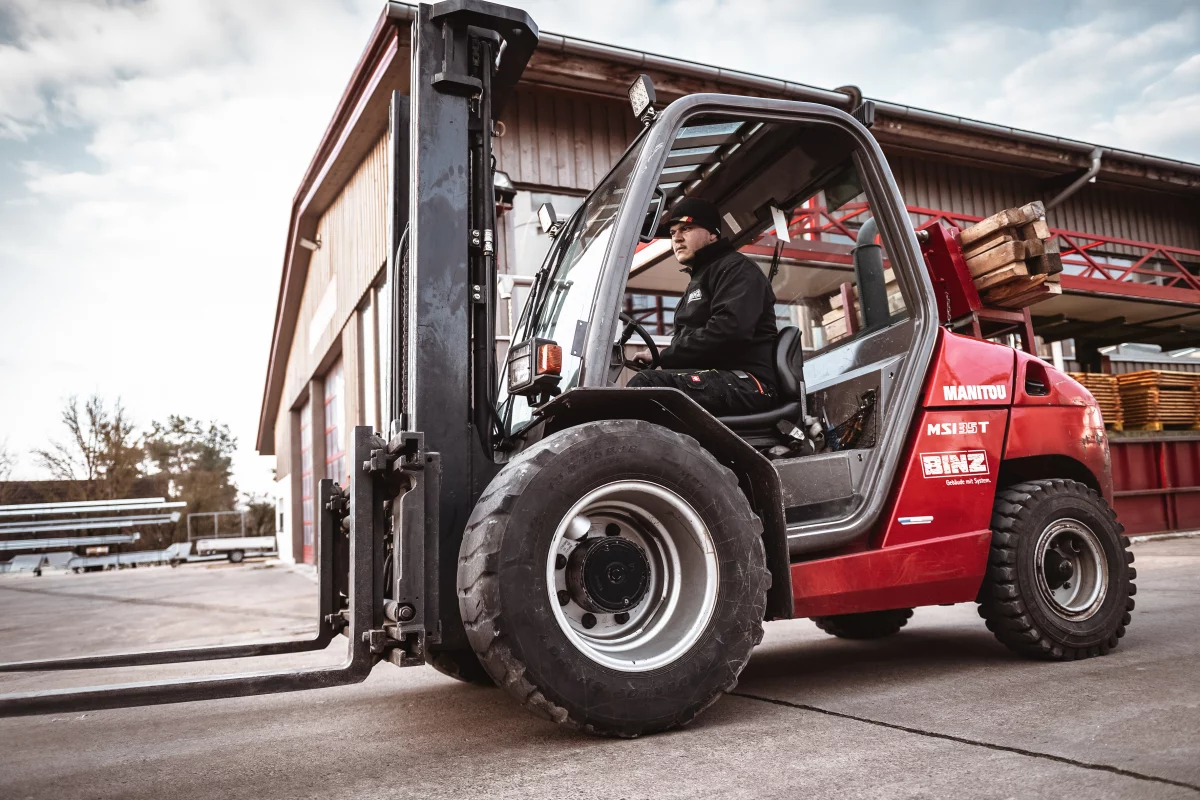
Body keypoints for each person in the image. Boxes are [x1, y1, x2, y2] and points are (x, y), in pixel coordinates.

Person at [628, 197, 778, 417]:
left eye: (686, 228)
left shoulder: (736, 269)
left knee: (647, 386)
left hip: (748, 382)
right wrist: (663, 357)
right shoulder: (702, 277)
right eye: (672, 233)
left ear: (713, 234)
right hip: (719, 377)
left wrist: (665, 355)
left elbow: (729, 330)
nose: (677, 238)